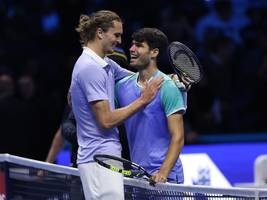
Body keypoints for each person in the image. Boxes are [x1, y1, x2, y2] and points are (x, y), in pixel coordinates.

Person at [70, 10, 163, 200]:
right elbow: (105, 120)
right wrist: (143, 100)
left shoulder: (105, 64)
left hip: (104, 157)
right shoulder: (90, 68)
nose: (120, 41)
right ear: (100, 33)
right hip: (98, 159)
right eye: (117, 35)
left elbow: (136, 77)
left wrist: (169, 80)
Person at [115, 28, 186, 184]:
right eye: (132, 45)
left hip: (166, 177)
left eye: (139, 45)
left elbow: (178, 137)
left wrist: (163, 173)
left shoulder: (168, 87)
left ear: (154, 52)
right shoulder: (121, 87)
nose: (131, 49)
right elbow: (110, 119)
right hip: (137, 175)